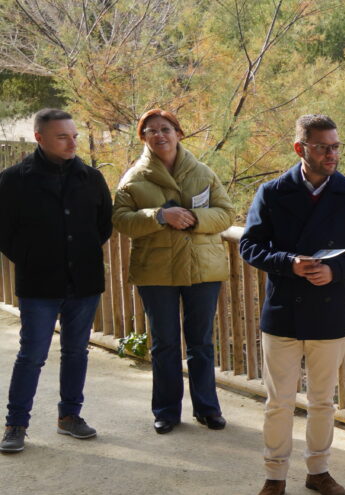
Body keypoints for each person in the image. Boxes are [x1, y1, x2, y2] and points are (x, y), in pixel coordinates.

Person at [240, 114, 345, 495]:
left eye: (336, 146)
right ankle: (274, 477)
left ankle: (318, 471)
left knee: (323, 401)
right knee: (278, 402)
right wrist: (289, 262)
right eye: (322, 147)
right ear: (300, 148)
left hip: (329, 312)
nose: (331, 154)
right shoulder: (271, 192)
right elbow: (249, 246)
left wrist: (335, 269)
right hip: (283, 311)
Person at [112, 109, 234, 434]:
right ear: (143, 138)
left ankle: (207, 409)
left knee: (201, 343)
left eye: (165, 128)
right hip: (156, 273)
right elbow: (121, 221)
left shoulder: (203, 172)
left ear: (178, 133)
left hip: (202, 269)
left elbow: (226, 214)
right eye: (151, 131)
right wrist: (158, 217)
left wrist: (195, 219)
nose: (159, 135)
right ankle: (166, 411)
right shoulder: (134, 179)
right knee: (164, 343)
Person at [0, 109, 113, 453]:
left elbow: (103, 226)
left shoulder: (91, 178)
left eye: (74, 136)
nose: (72, 142)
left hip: (84, 282)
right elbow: (4, 233)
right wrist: (35, 257)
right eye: (62, 136)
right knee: (32, 355)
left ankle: (69, 417)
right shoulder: (13, 179)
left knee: (76, 352)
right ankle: (15, 424)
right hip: (39, 284)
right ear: (39, 137)